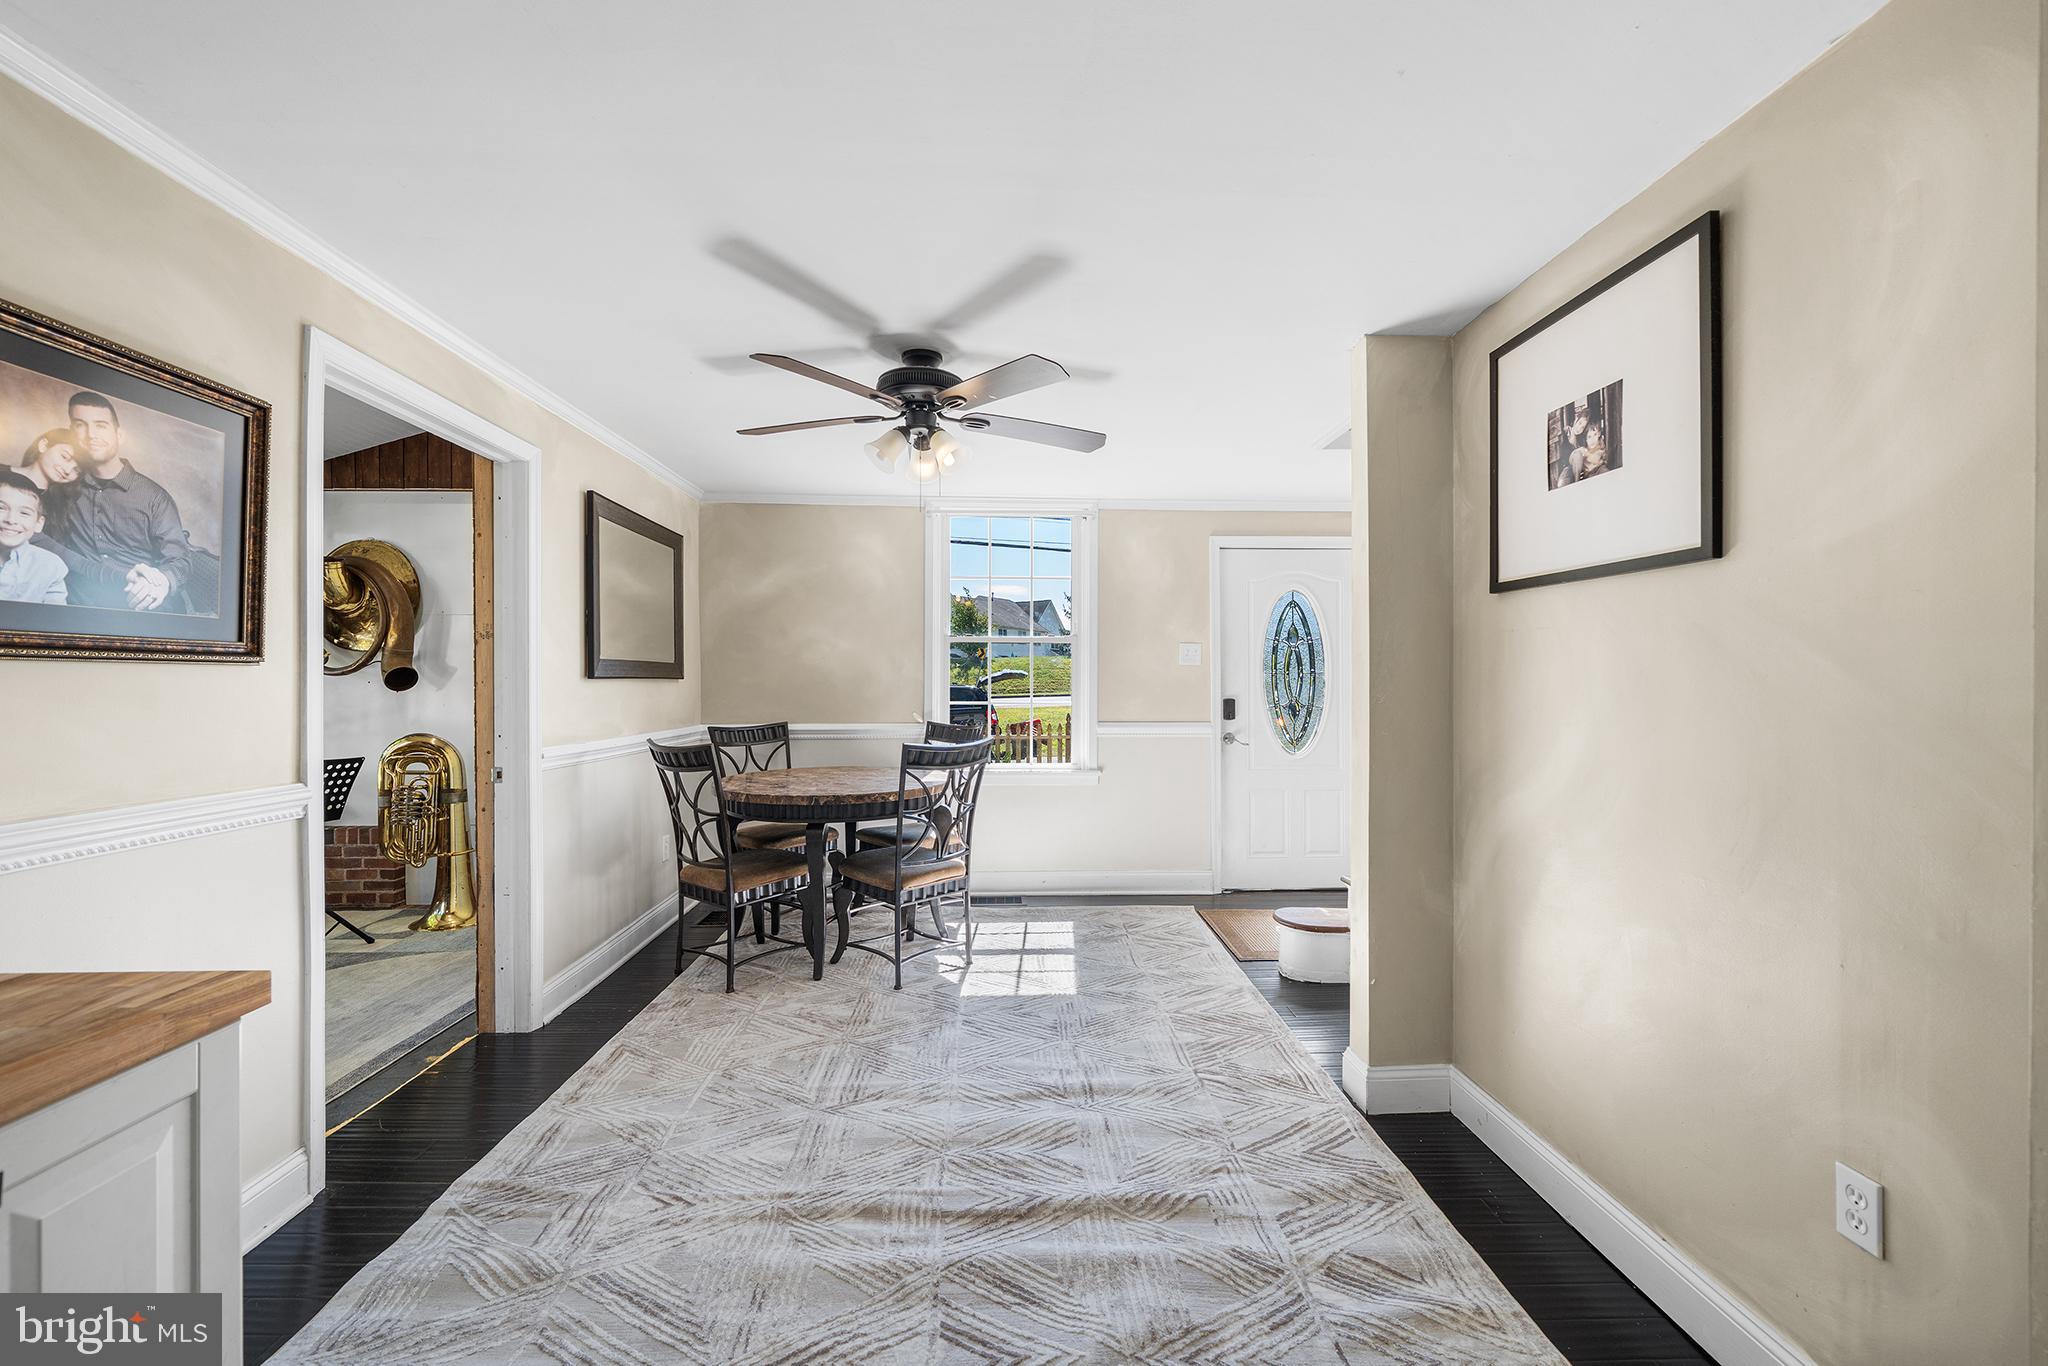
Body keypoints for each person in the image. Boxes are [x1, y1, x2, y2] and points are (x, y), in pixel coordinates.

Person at [54, 390, 194, 611]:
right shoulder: (63, 485)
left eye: (100, 425)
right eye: (80, 425)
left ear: (119, 435)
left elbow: (179, 559)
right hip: (79, 603)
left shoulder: (154, 497)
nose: (91, 434)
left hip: (139, 602)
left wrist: (162, 583)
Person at [0, 469, 68, 604]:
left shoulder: (51, 567)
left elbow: (55, 619)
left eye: (24, 513)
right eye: (1, 508)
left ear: (38, 523)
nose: (11, 520)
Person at [19, 427, 81, 539]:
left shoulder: (61, 504)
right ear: (43, 445)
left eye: (76, 470)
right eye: (65, 457)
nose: (67, 471)